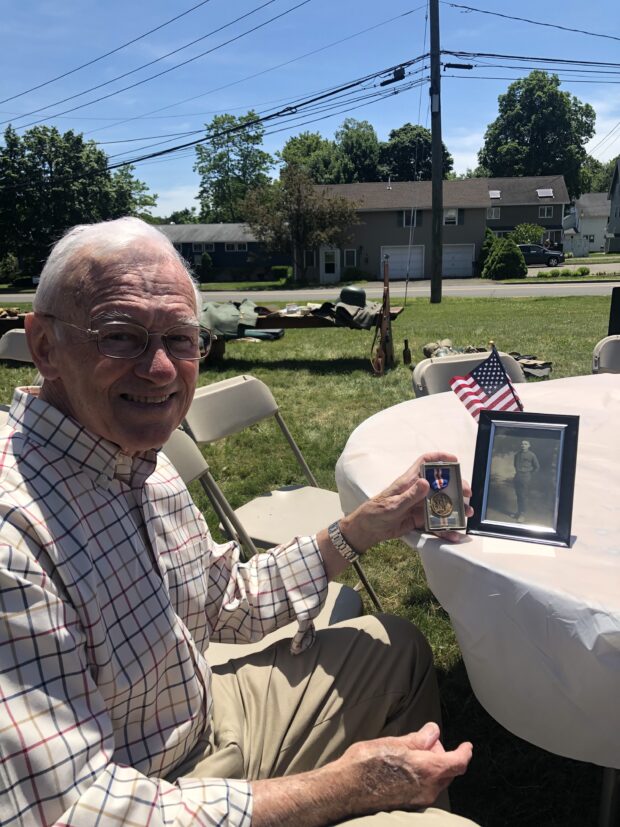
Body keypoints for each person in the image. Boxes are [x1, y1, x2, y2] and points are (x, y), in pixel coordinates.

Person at [0, 217, 477, 827]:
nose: (162, 370)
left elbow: (224, 598)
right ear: (44, 346)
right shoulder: (16, 533)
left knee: (400, 648)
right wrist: (345, 788)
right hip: (146, 788)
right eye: (120, 336)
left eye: (181, 338)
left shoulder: (136, 456)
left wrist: (359, 528)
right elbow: (75, 811)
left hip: (201, 716)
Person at [513, 439, 540, 521]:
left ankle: (522, 515)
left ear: (529, 446)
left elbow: (537, 467)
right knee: (518, 495)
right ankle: (518, 512)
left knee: (523, 496)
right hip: (517, 476)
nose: (523, 445)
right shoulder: (517, 454)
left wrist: (529, 474)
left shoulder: (532, 455)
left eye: (525, 444)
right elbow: (515, 464)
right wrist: (518, 472)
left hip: (526, 477)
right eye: (522, 444)